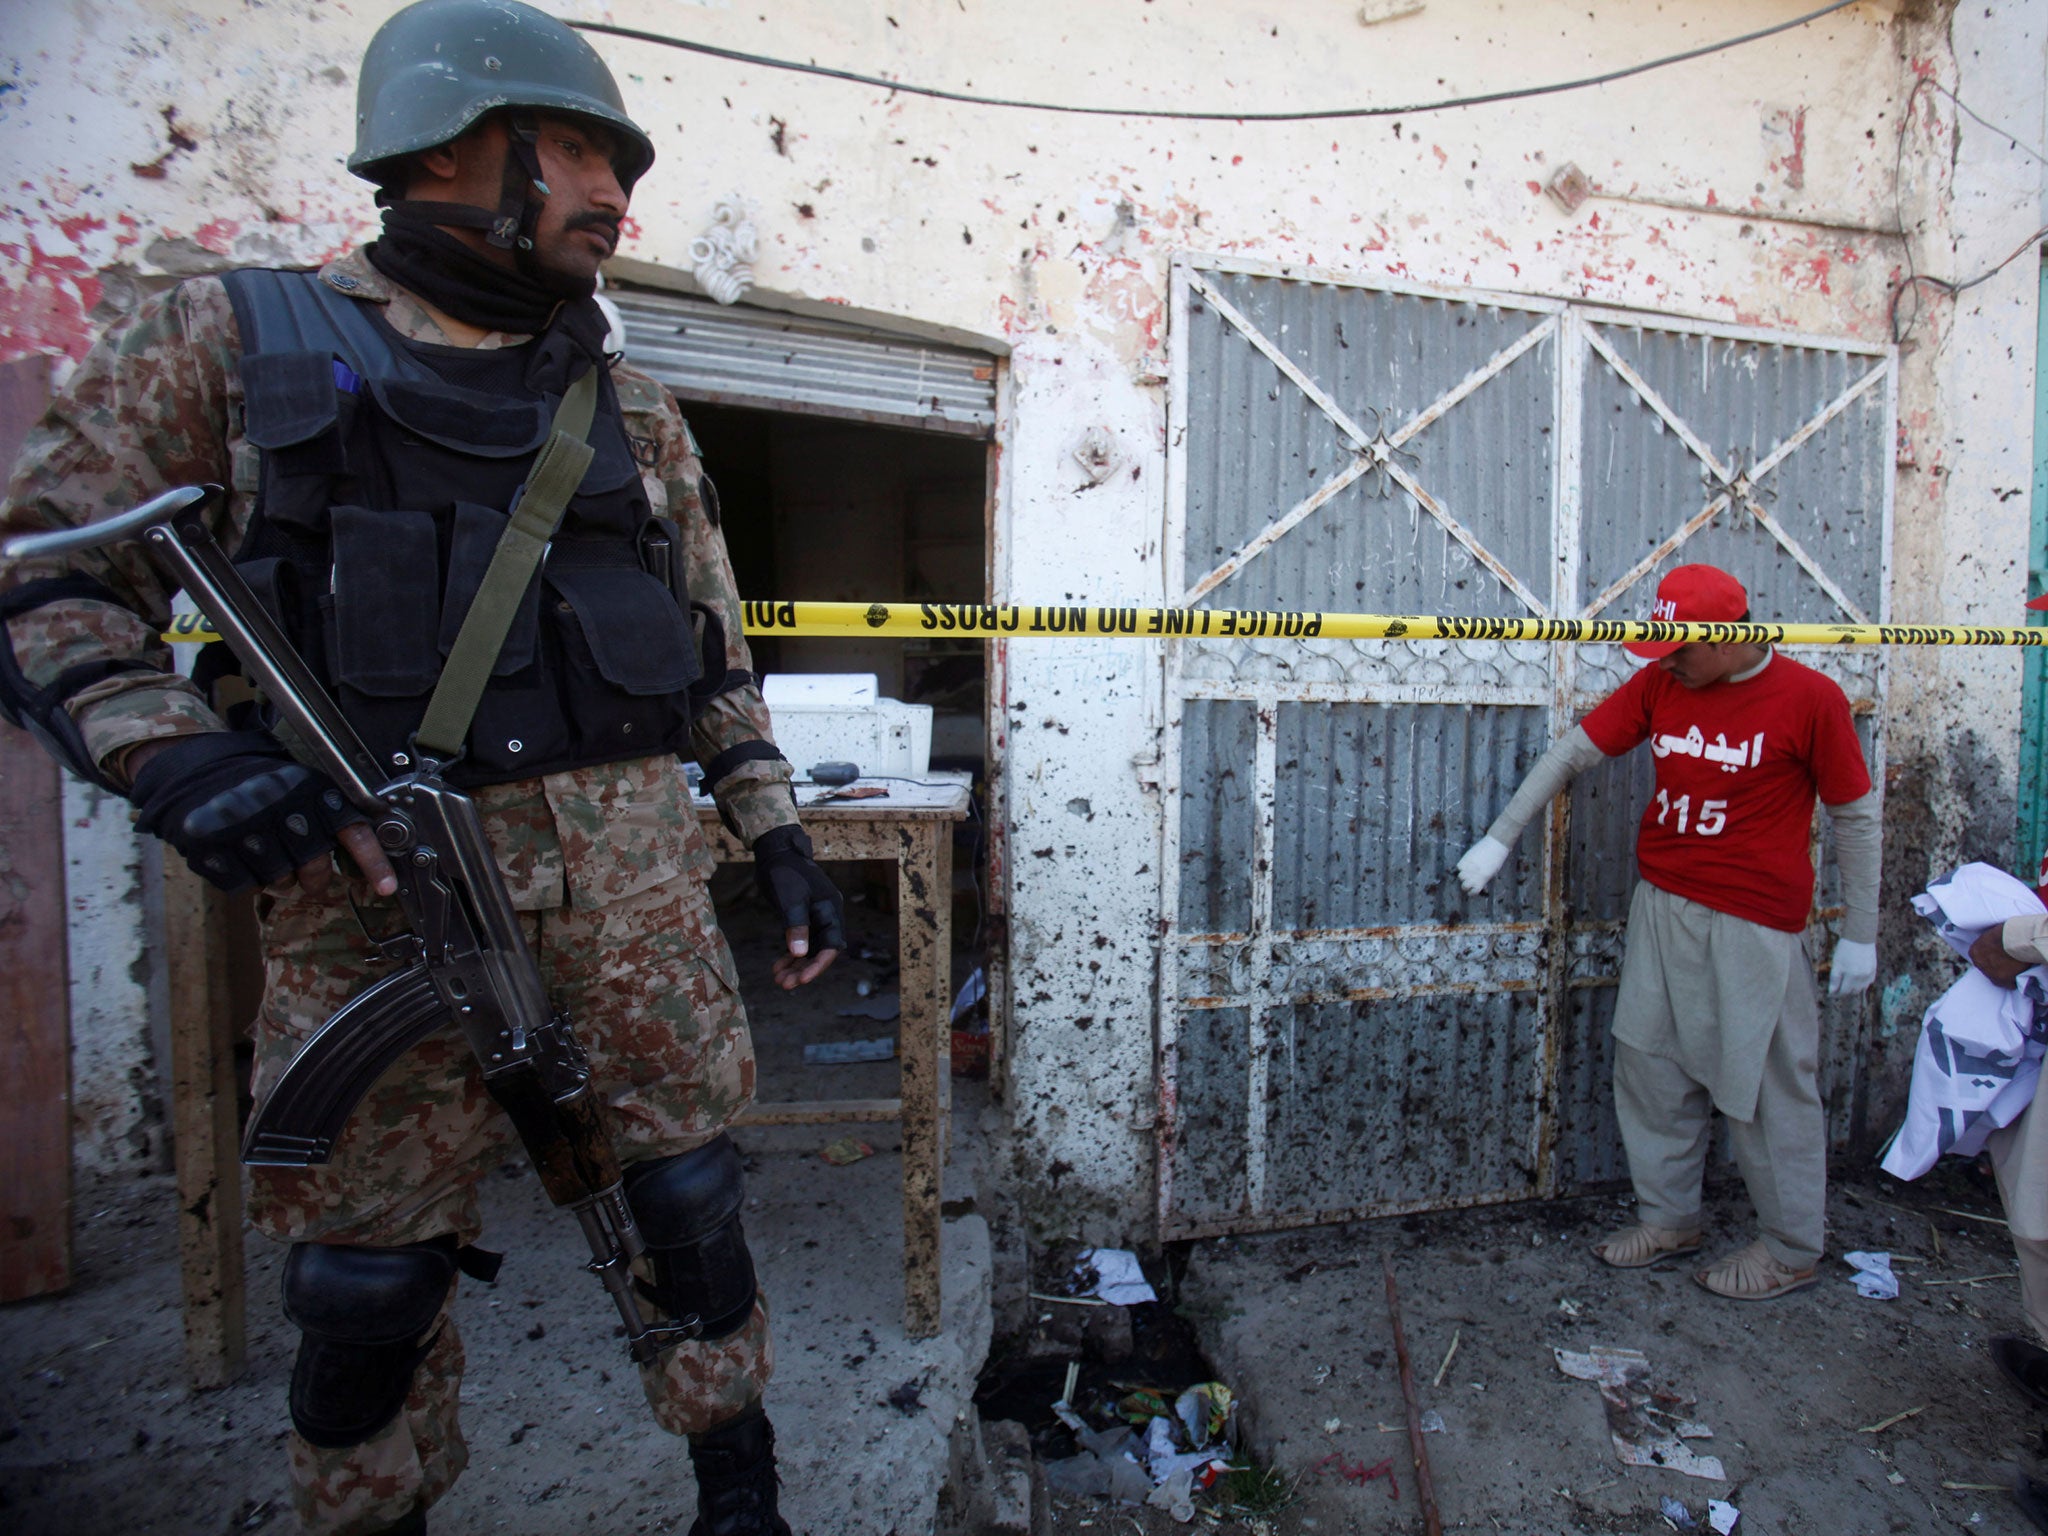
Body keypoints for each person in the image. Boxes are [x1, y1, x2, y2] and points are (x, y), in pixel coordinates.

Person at [0, 4, 842, 1533]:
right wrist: (168, 754)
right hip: (370, 907)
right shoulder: (228, 340)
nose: (614, 193)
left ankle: (740, 1485)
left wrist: (773, 826)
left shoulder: (628, 405)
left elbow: (711, 652)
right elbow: (46, 579)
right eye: (580, 148)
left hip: (636, 912)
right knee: (363, 1283)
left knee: (693, 1212)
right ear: (451, 147)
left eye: (616, 161)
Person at [1455, 563, 1880, 1300]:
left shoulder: (1811, 700)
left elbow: (1856, 815)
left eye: (1681, 647)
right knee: (1650, 1065)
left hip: (1755, 922)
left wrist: (1863, 931)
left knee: (1768, 1087)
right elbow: (1574, 751)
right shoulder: (1662, 684)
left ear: (1727, 636)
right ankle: (1671, 1218)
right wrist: (1500, 837)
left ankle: (1790, 1247)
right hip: (1664, 903)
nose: (1669, 661)